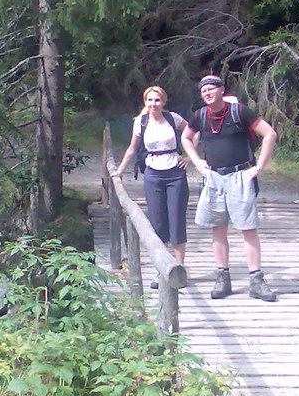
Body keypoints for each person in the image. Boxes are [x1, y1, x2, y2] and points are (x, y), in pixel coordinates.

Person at [181, 74, 277, 301]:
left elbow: (269, 133)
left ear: (222, 90)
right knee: (218, 227)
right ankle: (223, 279)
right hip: (214, 178)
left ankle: (256, 280)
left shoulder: (239, 111)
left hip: (241, 176)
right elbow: (186, 137)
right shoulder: (200, 116)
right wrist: (196, 162)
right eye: (203, 90)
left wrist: (259, 167)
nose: (207, 93)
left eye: (211, 89)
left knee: (248, 228)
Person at [111, 86, 189, 273]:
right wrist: (120, 170)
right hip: (153, 174)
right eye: (150, 100)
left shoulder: (173, 118)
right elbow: (132, 148)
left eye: (157, 100)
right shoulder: (141, 122)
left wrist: (189, 155)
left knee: (177, 219)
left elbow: (192, 131)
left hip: (175, 172)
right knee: (157, 221)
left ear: (163, 102)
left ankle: (179, 267)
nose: (153, 104)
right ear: (145, 102)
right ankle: (161, 270)